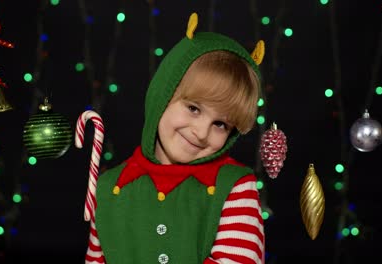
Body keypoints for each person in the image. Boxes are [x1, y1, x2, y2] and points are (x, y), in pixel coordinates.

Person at [84, 12, 265, 264]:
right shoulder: (108, 188)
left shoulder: (235, 186)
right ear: (162, 95)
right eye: (193, 108)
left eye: (221, 124)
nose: (201, 133)